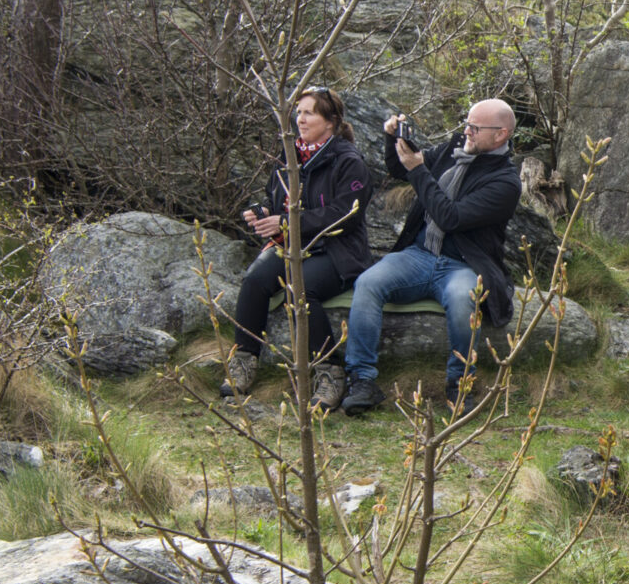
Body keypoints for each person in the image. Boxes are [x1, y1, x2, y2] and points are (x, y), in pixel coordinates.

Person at [340, 99, 523, 414]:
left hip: (464, 265)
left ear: (500, 135)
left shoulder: (506, 182)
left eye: (475, 127)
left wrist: (418, 170)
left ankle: (458, 386)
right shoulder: (457, 147)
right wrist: (395, 140)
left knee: (465, 298)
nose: (466, 130)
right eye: (466, 122)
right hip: (420, 255)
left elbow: (449, 217)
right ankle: (362, 381)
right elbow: (402, 169)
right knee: (368, 283)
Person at [221, 87, 374, 410]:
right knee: (254, 281)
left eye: (309, 113)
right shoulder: (289, 155)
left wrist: (288, 223)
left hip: (338, 251)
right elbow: (276, 200)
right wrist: (263, 213)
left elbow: (345, 214)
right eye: (298, 112)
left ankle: (330, 372)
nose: (300, 119)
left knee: (297, 289)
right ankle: (244, 360)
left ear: (330, 121)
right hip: (291, 246)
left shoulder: (349, 161)